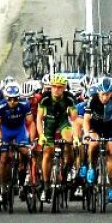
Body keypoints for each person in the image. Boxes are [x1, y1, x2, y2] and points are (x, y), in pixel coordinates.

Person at [84, 77, 112, 203]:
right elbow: (86, 119)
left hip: (109, 127)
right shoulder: (92, 99)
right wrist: (87, 134)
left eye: (108, 94)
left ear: (111, 93)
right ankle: (92, 166)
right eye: (103, 94)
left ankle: (111, 186)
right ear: (98, 92)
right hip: (96, 126)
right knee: (94, 144)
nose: (105, 97)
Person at [37, 74, 77, 202]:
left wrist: (75, 137)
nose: (56, 90)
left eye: (60, 87)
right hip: (49, 123)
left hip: (63, 122)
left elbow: (75, 119)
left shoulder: (69, 98)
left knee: (69, 143)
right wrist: (41, 135)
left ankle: (66, 171)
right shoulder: (45, 98)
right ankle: (46, 185)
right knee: (47, 152)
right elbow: (39, 119)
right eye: (54, 87)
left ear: (64, 88)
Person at [0, 83, 37, 194]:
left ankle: (23, 177)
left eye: (15, 99)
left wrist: (31, 140)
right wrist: (1, 139)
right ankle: (3, 186)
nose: (12, 102)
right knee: (3, 158)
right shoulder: (0, 106)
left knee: (26, 152)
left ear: (19, 98)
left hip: (19, 130)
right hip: (6, 130)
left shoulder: (24, 104)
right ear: (6, 98)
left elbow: (31, 123)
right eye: (10, 99)